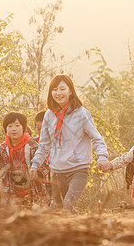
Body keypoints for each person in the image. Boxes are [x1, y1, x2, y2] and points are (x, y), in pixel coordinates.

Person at [29, 74, 110, 213]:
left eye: (62, 89)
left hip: (78, 169)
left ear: (71, 91)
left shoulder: (81, 114)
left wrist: (102, 157)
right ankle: (76, 231)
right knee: (58, 210)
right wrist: (35, 164)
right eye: (54, 89)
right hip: (57, 171)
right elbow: (44, 144)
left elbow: (97, 138)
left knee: (68, 206)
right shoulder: (49, 115)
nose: (58, 93)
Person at [0, 112, 49, 204]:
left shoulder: (33, 146)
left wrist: (37, 173)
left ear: (24, 128)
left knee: (35, 216)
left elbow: (45, 164)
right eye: (10, 126)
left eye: (17, 125)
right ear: (6, 129)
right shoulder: (3, 149)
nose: (13, 129)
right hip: (9, 192)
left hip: (34, 190)